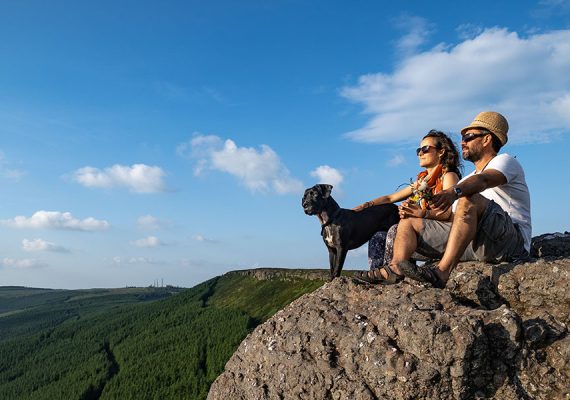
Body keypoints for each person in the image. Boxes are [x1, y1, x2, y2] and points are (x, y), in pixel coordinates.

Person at [390, 111, 531, 288]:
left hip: (510, 242)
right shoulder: (466, 180)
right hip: (476, 242)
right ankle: (394, 270)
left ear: (487, 139)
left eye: (468, 137)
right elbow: (456, 217)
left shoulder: (506, 161)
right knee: (408, 224)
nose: (462, 142)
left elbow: (484, 180)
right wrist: (423, 213)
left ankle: (441, 273)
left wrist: (454, 191)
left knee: (468, 197)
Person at [352, 130, 462, 284]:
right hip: (422, 232)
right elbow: (391, 198)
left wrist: (421, 213)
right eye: (418, 150)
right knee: (378, 237)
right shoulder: (421, 181)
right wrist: (364, 206)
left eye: (425, 149)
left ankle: (393, 272)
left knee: (394, 231)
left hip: (440, 235)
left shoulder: (449, 176)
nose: (420, 153)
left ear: (441, 152)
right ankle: (376, 277)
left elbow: (449, 214)